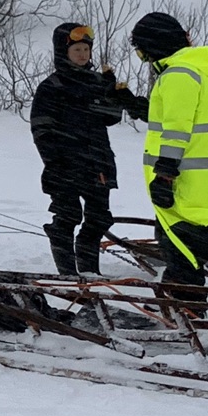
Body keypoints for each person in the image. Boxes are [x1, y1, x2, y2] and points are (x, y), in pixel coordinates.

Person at [129, 11, 208, 299]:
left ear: (156, 45)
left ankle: (187, 299)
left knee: (178, 237)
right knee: (180, 232)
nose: (145, 60)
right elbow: (172, 115)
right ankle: (183, 294)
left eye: (142, 52)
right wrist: (133, 104)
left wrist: (164, 173)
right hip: (194, 174)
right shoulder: (190, 70)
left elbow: (176, 129)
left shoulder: (177, 75)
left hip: (180, 175)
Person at [29, 21, 147, 275]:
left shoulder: (96, 80)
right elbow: (41, 129)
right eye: (77, 51)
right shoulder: (52, 86)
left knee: (98, 219)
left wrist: (111, 95)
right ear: (64, 52)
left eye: (86, 50)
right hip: (65, 165)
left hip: (98, 163)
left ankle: (90, 273)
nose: (83, 55)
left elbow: (110, 118)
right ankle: (68, 275)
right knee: (68, 217)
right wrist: (54, 161)